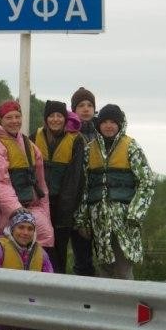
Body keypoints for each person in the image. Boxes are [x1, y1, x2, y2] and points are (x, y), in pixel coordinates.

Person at [0, 209, 89, 330]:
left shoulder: (41, 253)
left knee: (44, 318)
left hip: (33, 310)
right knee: (33, 315)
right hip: (2, 312)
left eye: (30, 228)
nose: (25, 232)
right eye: (21, 227)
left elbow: (50, 286)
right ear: (12, 228)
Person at [74, 103, 155, 279]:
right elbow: (85, 188)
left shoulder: (131, 147)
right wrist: (82, 220)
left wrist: (135, 214)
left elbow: (147, 182)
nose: (109, 126)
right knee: (105, 270)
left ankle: (127, 306)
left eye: (113, 122)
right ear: (99, 124)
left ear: (119, 124)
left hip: (124, 222)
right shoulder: (90, 149)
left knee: (123, 271)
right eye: (105, 122)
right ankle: (106, 306)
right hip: (99, 222)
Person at [0, 100, 53, 261]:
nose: (14, 121)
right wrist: (18, 212)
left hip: (32, 208)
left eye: (17, 117)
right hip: (5, 213)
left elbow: (41, 185)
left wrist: (44, 213)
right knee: (5, 254)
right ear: (0, 120)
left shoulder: (30, 146)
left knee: (46, 236)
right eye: (9, 118)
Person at [33, 101, 85, 274]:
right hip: (39, 204)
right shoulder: (35, 137)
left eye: (59, 116)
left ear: (65, 118)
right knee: (39, 250)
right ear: (45, 118)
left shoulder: (76, 140)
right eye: (51, 116)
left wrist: (65, 211)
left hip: (63, 207)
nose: (55, 119)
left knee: (59, 252)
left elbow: (74, 179)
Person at [69, 86, 98, 276]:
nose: (86, 109)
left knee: (105, 258)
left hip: (98, 203)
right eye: (81, 105)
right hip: (76, 205)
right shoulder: (69, 135)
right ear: (74, 109)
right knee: (82, 259)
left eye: (89, 105)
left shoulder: (104, 133)